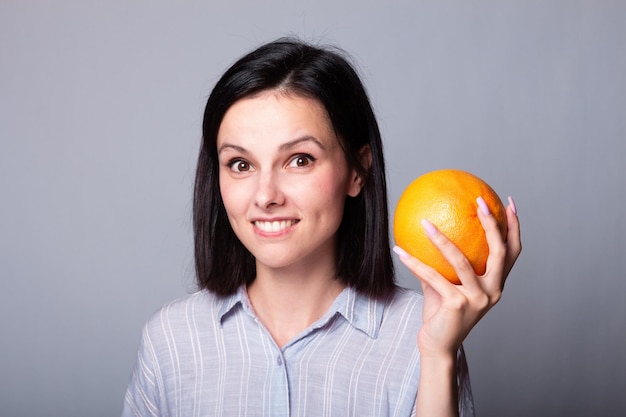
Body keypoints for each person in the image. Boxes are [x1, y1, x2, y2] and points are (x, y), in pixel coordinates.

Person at [121, 38, 521, 417]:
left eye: (299, 160)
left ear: (358, 171)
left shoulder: (422, 337)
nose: (265, 196)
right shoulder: (171, 341)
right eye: (241, 165)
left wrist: (437, 354)